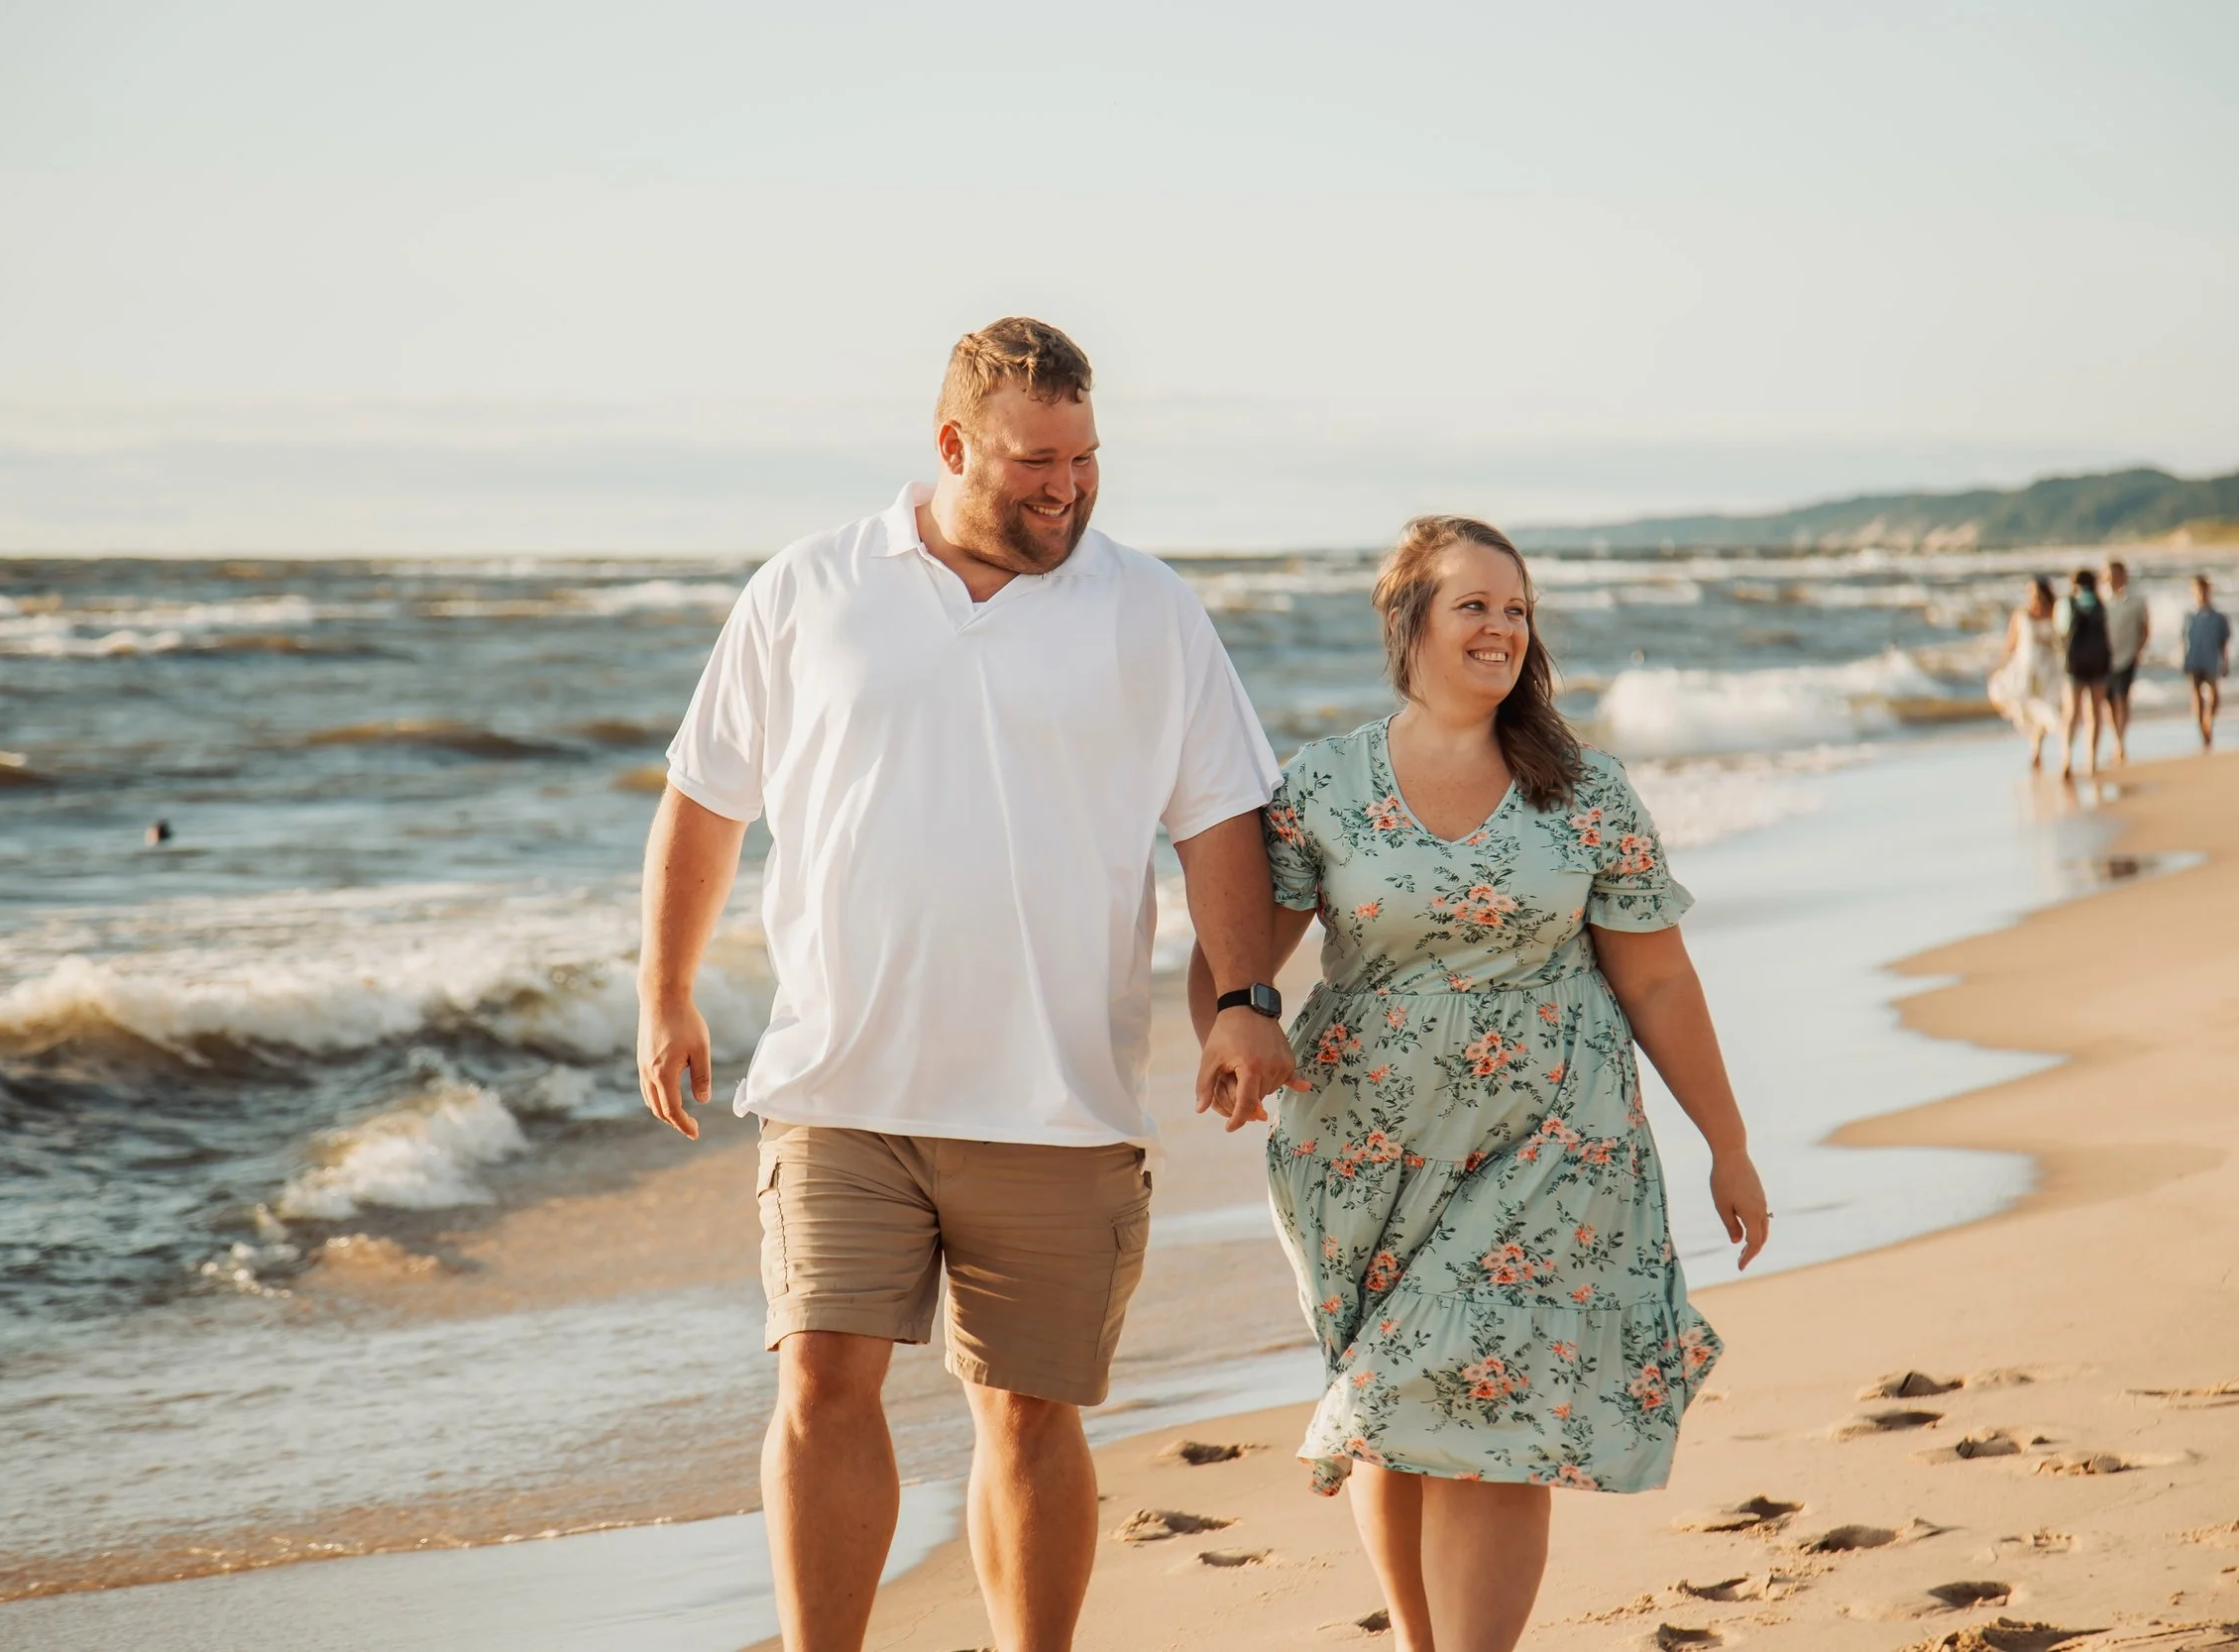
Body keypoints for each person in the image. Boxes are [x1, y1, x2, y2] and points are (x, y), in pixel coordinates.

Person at [636, 317, 1299, 1652]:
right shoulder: (809, 586)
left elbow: (1225, 818)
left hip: (1058, 1091)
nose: (1066, 487)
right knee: (822, 1382)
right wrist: (667, 991)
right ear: (952, 445)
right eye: (1034, 462)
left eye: (1087, 460)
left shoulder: (1148, 607)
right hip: (841, 1077)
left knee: (1027, 1410)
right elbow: (705, 799)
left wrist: (1245, 999)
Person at [1192, 516, 1767, 1652]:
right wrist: (1231, 1032)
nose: (1502, 627)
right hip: (1363, 1147)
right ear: (1407, 619)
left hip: (1555, 1133)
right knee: (1391, 1400)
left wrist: (1727, 1140)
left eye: (1517, 609)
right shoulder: (1324, 784)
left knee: (1490, 1395)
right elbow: (1243, 959)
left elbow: (1656, 982)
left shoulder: (1585, 789)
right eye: (1475, 605)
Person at [1986, 576, 2068, 771]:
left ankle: (2044, 750)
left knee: (2049, 708)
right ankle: (2035, 748)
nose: (2034, 598)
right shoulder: (2021, 615)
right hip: (2025, 670)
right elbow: (2010, 644)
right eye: (2030, 593)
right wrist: (1999, 667)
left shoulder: (2055, 613)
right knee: (2029, 708)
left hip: (2049, 669)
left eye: (2037, 594)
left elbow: (2063, 642)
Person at [2059, 568, 2111, 778]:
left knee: (2072, 713)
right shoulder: (2100, 604)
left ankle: (2067, 757)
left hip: (2075, 666)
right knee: (2095, 713)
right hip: (2098, 664)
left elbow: (2061, 630)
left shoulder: (2068, 603)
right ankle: (2091, 760)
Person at [2100, 559, 2149, 766]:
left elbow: (2145, 628)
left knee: (2122, 698)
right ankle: (2115, 738)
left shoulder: (2136, 601)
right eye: (2108, 574)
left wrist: (2138, 650)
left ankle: (2120, 742)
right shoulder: (2101, 601)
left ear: (2124, 575)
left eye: (2115, 574)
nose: (2112, 578)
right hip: (2103, 659)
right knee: (2108, 702)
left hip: (2127, 655)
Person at [2182, 573, 2234, 751]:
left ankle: (2208, 720)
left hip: (2211, 659)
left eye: (2204, 590)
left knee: (2214, 695)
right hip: (2194, 659)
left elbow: (2224, 642)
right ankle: (2201, 729)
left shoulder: (2219, 617)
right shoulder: (2189, 616)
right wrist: (2183, 659)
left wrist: (2226, 661)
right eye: (2197, 590)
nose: (2201, 594)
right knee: (2196, 695)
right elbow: (2183, 640)